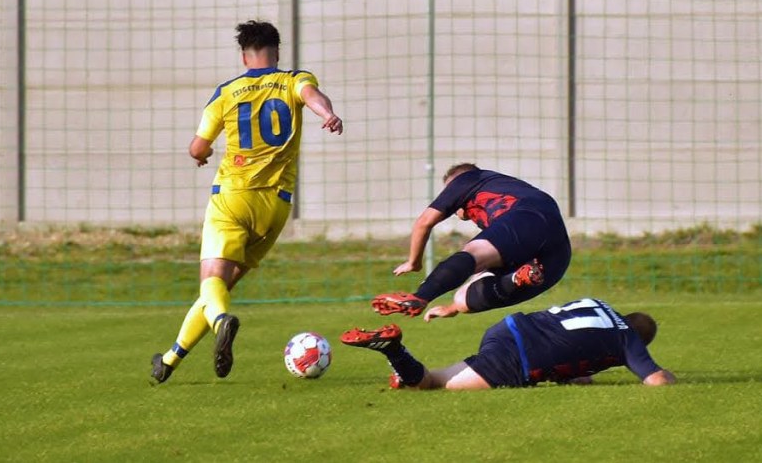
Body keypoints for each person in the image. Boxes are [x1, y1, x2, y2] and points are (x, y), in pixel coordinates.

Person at [150, 20, 343, 384]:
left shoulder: (227, 92)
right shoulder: (294, 79)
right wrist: (328, 115)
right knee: (219, 289)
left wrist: (203, 154)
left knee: (211, 283)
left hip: (233, 198)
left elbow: (197, 147)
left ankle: (222, 321)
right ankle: (169, 360)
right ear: (277, 52)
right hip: (276, 207)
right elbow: (311, 95)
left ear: (243, 56)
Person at [372, 163, 571, 320]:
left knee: (475, 252)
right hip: (557, 258)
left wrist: (413, 263)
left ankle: (420, 297)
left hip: (529, 216)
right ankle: (516, 278)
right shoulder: (500, 191)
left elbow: (424, 223)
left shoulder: (467, 179)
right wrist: (452, 308)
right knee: (462, 299)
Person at [343, 297, 677, 390]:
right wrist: (675, 378)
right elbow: (657, 380)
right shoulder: (628, 338)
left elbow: (571, 340)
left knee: (442, 375)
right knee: (432, 384)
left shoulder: (598, 304)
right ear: (641, 341)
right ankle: (393, 349)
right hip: (518, 357)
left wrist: (575, 375)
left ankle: (402, 370)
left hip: (508, 329)